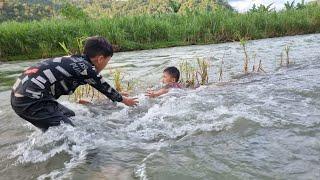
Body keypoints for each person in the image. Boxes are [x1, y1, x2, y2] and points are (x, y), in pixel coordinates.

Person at [11, 36, 138, 131]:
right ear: (100, 59)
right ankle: (88, 161)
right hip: (30, 101)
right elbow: (102, 85)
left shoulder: (74, 60)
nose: (106, 65)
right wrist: (124, 100)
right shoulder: (85, 68)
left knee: (69, 116)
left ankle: (50, 136)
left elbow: (101, 85)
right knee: (70, 131)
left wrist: (116, 94)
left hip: (21, 96)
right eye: (107, 61)